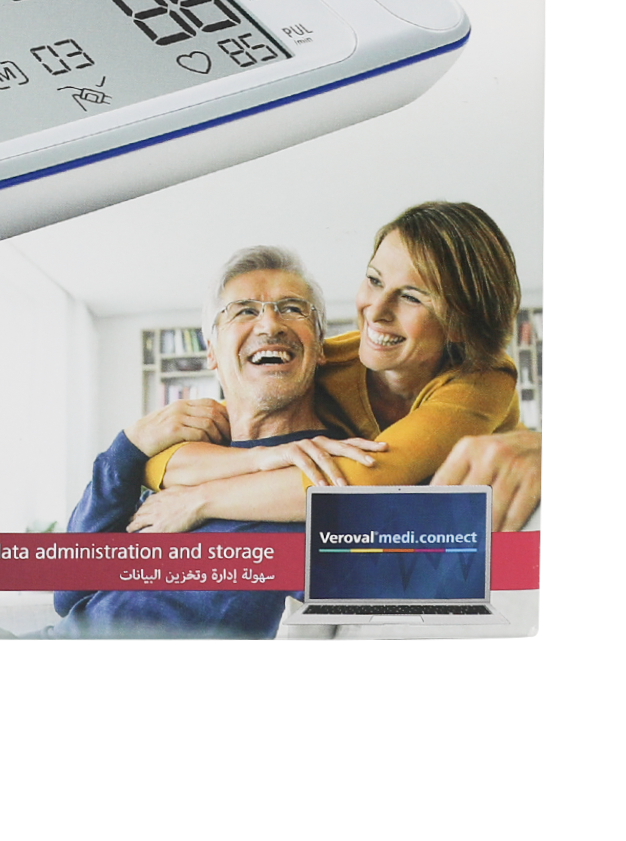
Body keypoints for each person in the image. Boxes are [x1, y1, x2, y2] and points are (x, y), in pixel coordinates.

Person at [127, 202, 529, 533]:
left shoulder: (484, 378)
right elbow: (161, 461)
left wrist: (200, 500)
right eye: (374, 280)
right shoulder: (324, 361)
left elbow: (365, 478)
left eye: (411, 297)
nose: (376, 310)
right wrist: (258, 458)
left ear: (459, 324)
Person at [50, 245, 368, 639]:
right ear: (211, 351)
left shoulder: (342, 465)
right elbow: (68, 592)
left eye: (292, 308)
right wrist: (129, 446)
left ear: (320, 346)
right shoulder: (182, 465)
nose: (270, 324)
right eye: (244, 311)